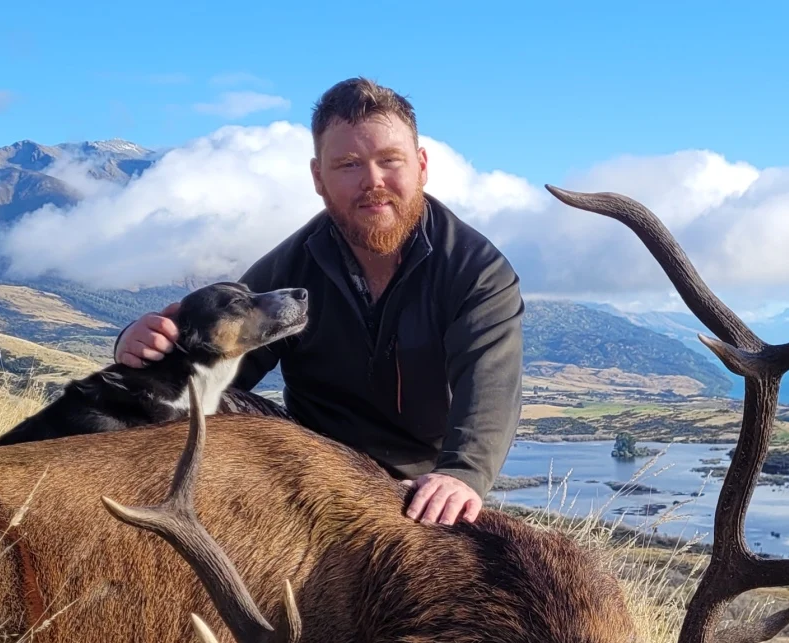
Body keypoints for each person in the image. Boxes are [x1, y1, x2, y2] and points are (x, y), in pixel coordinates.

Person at [114, 77, 522, 527]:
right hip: (310, 464)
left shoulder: (477, 272)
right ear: (318, 177)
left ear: (421, 166)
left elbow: (491, 386)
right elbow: (211, 364)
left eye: (390, 160)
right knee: (191, 408)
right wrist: (139, 345)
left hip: (417, 481)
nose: (373, 181)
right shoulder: (291, 266)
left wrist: (462, 474)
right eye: (348, 165)